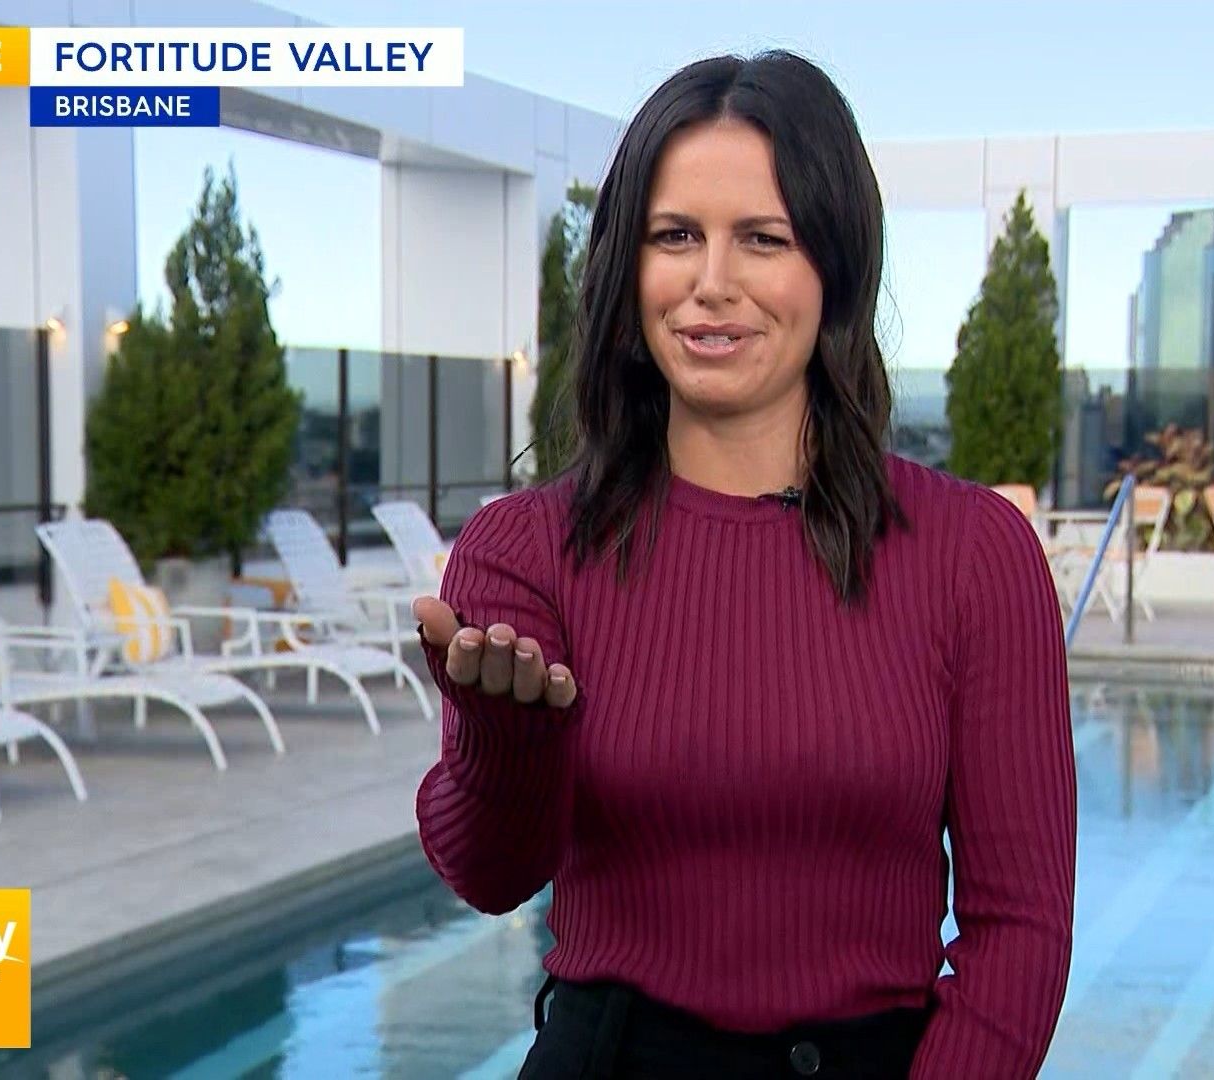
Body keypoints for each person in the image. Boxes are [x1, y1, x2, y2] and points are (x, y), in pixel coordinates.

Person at [413, 50, 1075, 1079]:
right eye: (674, 235)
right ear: (628, 269)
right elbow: (489, 876)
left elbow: (1021, 927)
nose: (711, 283)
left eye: (763, 239)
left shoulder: (974, 554)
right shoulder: (525, 552)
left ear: (834, 267)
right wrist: (506, 747)